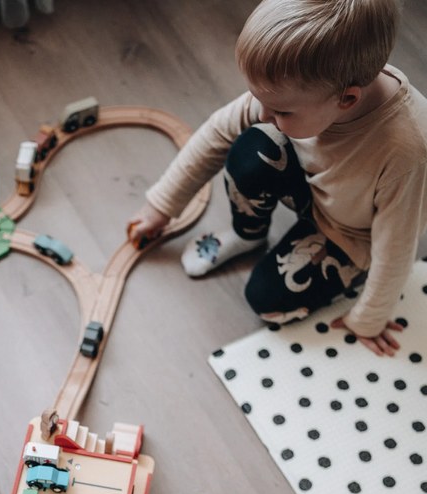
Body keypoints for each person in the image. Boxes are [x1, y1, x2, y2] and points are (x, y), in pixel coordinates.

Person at [127, 0, 427, 357]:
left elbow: (396, 247)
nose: (262, 112)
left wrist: (370, 318)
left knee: (266, 300)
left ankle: (345, 272)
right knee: (250, 147)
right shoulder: (301, 88)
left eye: (281, 111)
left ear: (346, 100)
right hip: (311, 189)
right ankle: (246, 237)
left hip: (351, 233)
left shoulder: (406, 150)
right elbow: (218, 132)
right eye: (258, 99)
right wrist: (162, 204)